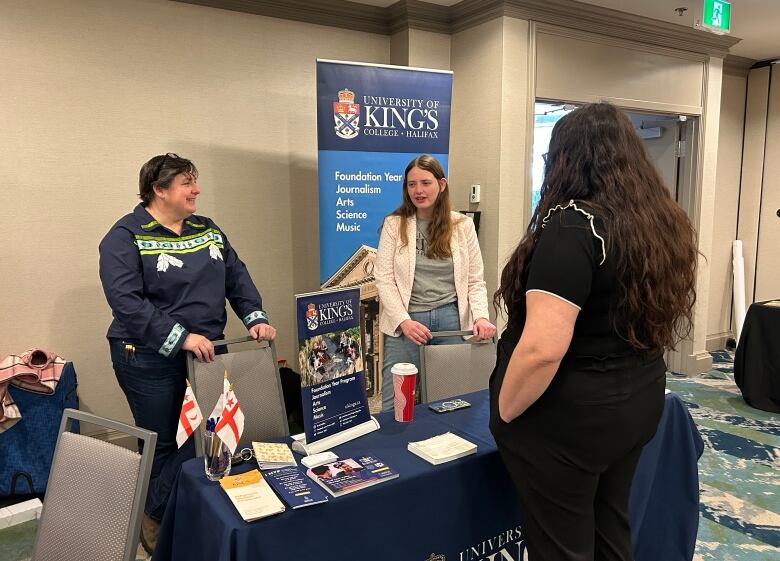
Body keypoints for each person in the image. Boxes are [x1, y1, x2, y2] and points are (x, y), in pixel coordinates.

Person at [489, 103, 698, 561]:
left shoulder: (572, 224)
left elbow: (543, 350)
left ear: (567, 158)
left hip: (572, 421)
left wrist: (504, 408)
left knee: (562, 547)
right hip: (637, 401)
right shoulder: (657, 222)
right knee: (609, 526)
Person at [99, 153, 276, 554]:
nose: (196, 189)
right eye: (186, 183)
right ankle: (157, 521)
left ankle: (168, 510)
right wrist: (180, 337)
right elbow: (126, 301)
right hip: (147, 355)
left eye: (194, 181)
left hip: (208, 352)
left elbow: (237, 276)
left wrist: (255, 317)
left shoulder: (207, 229)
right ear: (159, 190)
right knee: (164, 443)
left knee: (211, 431)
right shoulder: (124, 236)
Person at [375, 154, 496, 412]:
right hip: (406, 324)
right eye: (411, 184)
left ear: (441, 185)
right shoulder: (394, 225)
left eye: (425, 183)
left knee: (449, 402)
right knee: (395, 404)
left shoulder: (462, 226)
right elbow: (384, 279)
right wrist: (403, 321)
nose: (418, 190)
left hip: (450, 322)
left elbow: (475, 280)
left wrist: (481, 317)